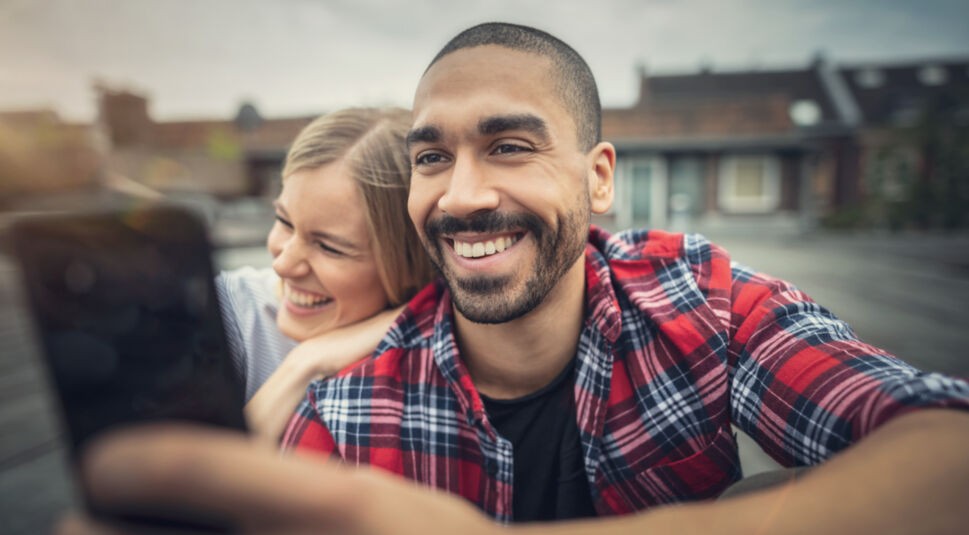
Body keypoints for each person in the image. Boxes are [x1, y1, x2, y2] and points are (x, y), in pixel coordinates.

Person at [61, 22, 969, 535]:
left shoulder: (699, 299)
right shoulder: (348, 401)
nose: (462, 196)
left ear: (598, 176)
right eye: (431, 158)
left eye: (508, 146)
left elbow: (946, 453)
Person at [217, 107, 435, 441]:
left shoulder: (441, 357)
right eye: (285, 222)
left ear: (409, 265)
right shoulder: (228, 313)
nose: (283, 266)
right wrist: (302, 367)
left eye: (329, 248)